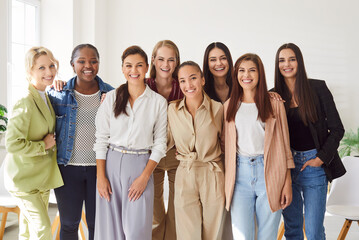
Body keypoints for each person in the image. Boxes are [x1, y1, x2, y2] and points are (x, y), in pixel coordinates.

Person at [94, 45, 167, 240]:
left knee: (137, 232)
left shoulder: (158, 102)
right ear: (122, 68)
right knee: (111, 231)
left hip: (140, 165)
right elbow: (101, 139)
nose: (133, 71)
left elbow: (160, 143)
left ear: (146, 68)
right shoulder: (110, 98)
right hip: (110, 164)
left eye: (139, 65)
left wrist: (144, 177)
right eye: (128, 66)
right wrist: (101, 177)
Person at [274, 43, 346, 240]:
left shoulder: (317, 88)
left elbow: (337, 129)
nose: (286, 64)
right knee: (293, 229)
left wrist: (320, 159)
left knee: (314, 232)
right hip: (286, 169)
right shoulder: (273, 95)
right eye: (282, 60)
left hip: (314, 165)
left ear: (299, 61)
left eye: (291, 59)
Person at [223, 53, 294, 240]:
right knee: (242, 235)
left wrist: (287, 182)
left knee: (267, 235)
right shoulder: (229, 106)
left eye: (252, 70)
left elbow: (285, 146)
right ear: (236, 74)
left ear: (260, 74)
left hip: (270, 172)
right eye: (242, 70)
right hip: (240, 176)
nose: (246, 75)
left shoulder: (274, 104)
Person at [48, 44, 114, 240]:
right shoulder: (58, 93)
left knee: (96, 223)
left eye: (93, 61)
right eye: (82, 61)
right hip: (67, 168)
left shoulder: (111, 94)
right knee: (69, 224)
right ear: (72, 64)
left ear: (99, 63)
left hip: (100, 169)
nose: (88, 66)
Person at [4, 46, 63, 240]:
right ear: (29, 71)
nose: (49, 72)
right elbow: (12, 143)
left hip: (41, 178)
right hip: (24, 180)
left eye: (51, 66)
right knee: (43, 228)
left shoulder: (45, 95)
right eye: (41, 68)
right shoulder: (25, 101)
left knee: (28, 231)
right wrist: (43, 146)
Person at [167, 61, 225, 240]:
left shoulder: (218, 108)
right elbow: (166, 142)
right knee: (187, 233)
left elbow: (226, 144)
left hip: (213, 173)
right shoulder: (172, 109)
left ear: (202, 80)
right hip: (185, 173)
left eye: (193, 78)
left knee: (212, 232)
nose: (188, 85)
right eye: (182, 81)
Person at [146, 40, 183, 240]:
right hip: (152, 156)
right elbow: (119, 94)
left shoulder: (183, 86)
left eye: (171, 59)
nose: (166, 64)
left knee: (178, 208)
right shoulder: (143, 85)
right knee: (154, 211)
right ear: (153, 60)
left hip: (178, 154)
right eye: (161, 59)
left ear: (177, 62)